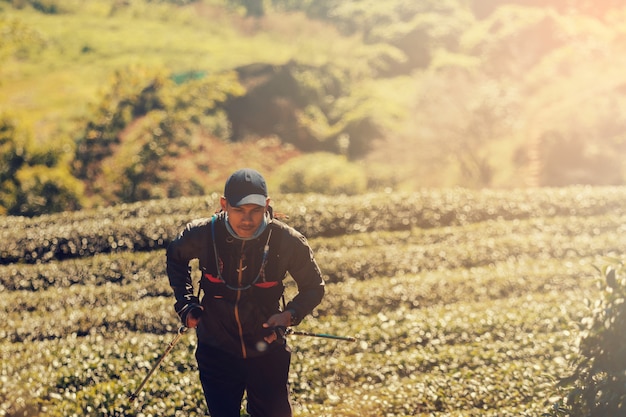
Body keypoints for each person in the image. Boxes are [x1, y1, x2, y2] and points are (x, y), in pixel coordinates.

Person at [166, 168, 325, 417]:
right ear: (224, 204)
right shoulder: (202, 234)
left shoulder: (287, 241)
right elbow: (176, 258)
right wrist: (186, 303)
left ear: (268, 205)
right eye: (239, 210)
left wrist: (289, 316)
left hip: (267, 348)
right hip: (216, 350)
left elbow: (314, 287)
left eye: (255, 210)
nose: (247, 219)